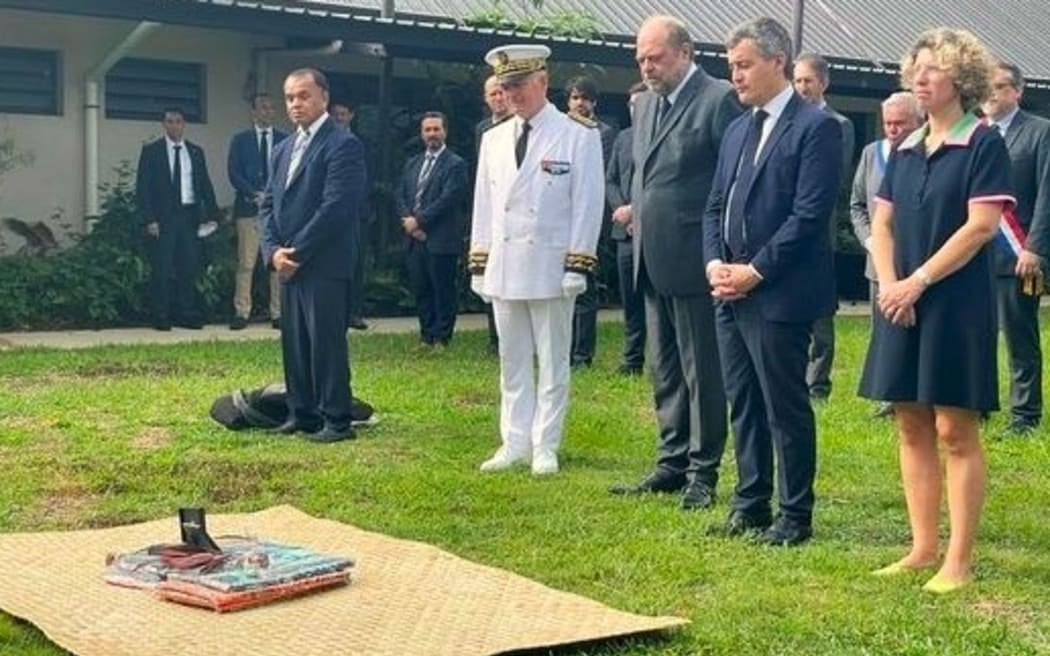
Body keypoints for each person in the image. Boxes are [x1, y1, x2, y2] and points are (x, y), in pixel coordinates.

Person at [859, 29, 1014, 592]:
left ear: (961, 79)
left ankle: (959, 560)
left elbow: (982, 226)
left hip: (954, 300)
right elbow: (881, 223)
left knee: (954, 427)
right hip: (901, 299)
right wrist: (893, 282)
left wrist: (918, 281)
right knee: (909, 419)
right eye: (915, 69)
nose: (920, 79)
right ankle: (923, 548)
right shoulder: (903, 148)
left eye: (932, 70)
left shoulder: (983, 143)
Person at [703, 17, 842, 545]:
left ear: (777, 61)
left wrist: (755, 272)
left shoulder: (816, 126)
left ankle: (794, 515)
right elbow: (717, 202)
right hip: (729, 290)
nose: (734, 76)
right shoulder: (739, 128)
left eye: (743, 65)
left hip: (780, 292)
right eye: (731, 66)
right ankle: (751, 502)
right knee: (744, 400)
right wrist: (715, 265)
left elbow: (808, 216)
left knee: (784, 404)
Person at [608, 15, 739, 511]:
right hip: (650, 256)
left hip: (695, 258)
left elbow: (728, 184)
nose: (646, 65)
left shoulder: (717, 98)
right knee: (664, 367)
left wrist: (722, 253)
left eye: (655, 56)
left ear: (684, 52)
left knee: (700, 368)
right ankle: (671, 460)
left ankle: (703, 471)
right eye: (640, 57)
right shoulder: (644, 105)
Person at [470, 44, 603, 476]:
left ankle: (546, 443)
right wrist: (480, 260)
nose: (513, 95)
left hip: (549, 265)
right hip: (506, 264)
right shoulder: (493, 139)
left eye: (521, 85)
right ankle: (514, 441)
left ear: (543, 82)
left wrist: (577, 262)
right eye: (506, 87)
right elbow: (485, 204)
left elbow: (587, 203)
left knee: (552, 360)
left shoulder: (577, 135)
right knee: (512, 361)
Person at [260, 68, 368, 443]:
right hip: (288, 265)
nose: (295, 104)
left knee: (326, 344)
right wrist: (273, 252)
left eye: (303, 96)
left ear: (324, 96)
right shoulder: (281, 150)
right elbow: (268, 204)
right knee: (295, 343)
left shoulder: (343, 144)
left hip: (324, 262)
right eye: (289, 97)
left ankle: (337, 420)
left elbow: (337, 206)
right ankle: (302, 413)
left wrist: (298, 251)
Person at [982, 62, 1050, 436]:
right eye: (986, 88)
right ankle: (979, 405)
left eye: (1000, 87)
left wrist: (1035, 247)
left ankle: (1025, 415)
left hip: (1018, 256)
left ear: (1017, 92)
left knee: (1020, 337)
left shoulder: (1040, 132)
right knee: (976, 335)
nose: (991, 94)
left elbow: (1047, 195)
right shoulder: (976, 133)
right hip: (974, 254)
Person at [849, 92, 922, 418]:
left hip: (918, 263)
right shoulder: (870, 154)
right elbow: (857, 205)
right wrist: (870, 241)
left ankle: (923, 395)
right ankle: (890, 396)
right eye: (887, 123)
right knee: (885, 331)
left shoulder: (929, 154)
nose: (892, 130)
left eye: (900, 123)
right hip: (879, 264)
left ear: (918, 121)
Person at [792, 52, 855, 401]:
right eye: (797, 81)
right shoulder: (784, 120)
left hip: (818, 232)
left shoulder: (839, 125)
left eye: (808, 81)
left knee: (819, 310)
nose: (802, 88)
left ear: (823, 83)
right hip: (782, 230)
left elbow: (834, 181)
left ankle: (818, 383)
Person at [135, 107, 220, 331]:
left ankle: (187, 313)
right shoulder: (152, 151)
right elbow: (143, 188)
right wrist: (149, 219)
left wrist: (212, 215)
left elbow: (205, 185)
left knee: (188, 266)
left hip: (188, 215)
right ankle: (160, 315)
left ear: (184, 124)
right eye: (170, 121)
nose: (174, 125)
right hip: (163, 217)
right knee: (162, 268)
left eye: (178, 121)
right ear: (164, 124)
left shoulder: (195, 152)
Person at [395, 111, 469, 347]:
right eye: (427, 130)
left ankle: (442, 338)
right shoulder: (412, 163)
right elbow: (400, 194)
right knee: (421, 289)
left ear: (445, 132)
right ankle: (426, 336)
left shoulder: (455, 164)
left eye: (436, 129)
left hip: (441, 238)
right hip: (414, 239)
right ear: (422, 133)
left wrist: (420, 221)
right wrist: (408, 221)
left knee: (442, 290)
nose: (432, 134)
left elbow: (449, 199)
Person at [564, 75, 618, 369]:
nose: (579, 103)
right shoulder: (558, 131)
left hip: (589, 218)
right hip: (560, 218)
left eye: (584, 98)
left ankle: (582, 355)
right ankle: (563, 349)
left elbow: (601, 177)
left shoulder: (604, 133)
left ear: (593, 102)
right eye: (574, 97)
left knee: (583, 284)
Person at [227, 93, 286, 330]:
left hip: (277, 212)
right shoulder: (240, 140)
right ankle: (242, 312)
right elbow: (234, 173)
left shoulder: (285, 140)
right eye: (263, 107)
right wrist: (254, 194)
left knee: (276, 262)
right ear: (253, 112)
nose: (268, 112)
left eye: (271, 108)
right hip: (248, 209)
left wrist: (270, 197)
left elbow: (288, 173)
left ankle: (278, 313)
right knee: (246, 263)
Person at [605, 82, 648, 376]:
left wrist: (637, 211)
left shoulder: (662, 135)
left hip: (655, 232)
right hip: (625, 235)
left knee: (657, 300)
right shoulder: (623, 138)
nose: (635, 109)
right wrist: (622, 209)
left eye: (640, 104)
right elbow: (610, 179)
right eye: (631, 105)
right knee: (631, 300)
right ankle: (632, 359)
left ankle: (661, 358)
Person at [473, 76, 511, 355]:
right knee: (490, 275)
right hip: (493, 214)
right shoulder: (483, 131)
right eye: (492, 94)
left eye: (501, 92)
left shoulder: (521, 126)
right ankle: (494, 337)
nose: (498, 98)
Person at [331, 101, 369, 332]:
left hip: (356, 214)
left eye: (343, 114)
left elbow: (367, 178)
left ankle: (354, 312)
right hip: (331, 214)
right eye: (335, 114)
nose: (339, 118)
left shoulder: (362, 144)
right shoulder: (325, 142)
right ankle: (336, 312)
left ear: (351, 116)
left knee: (356, 265)